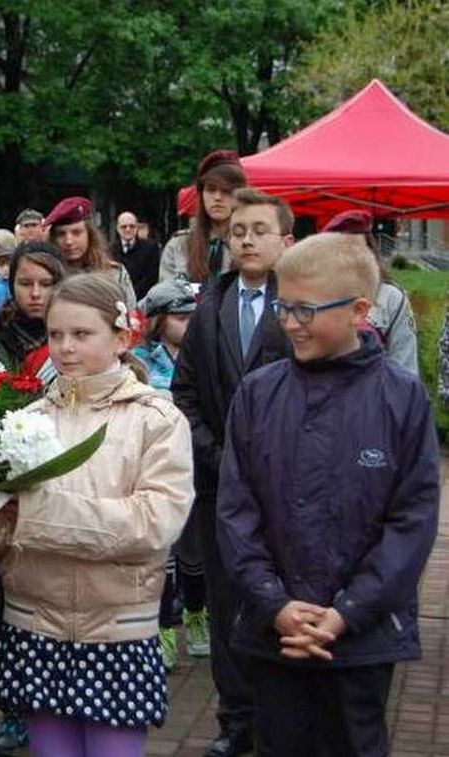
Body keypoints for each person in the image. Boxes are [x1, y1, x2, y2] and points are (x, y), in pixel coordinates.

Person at [218, 232, 440, 756]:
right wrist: (273, 602)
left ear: (360, 310)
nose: (288, 322)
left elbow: (412, 520)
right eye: (282, 306)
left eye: (304, 310)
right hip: (275, 633)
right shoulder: (258, 392)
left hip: (361, 638)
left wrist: (348, 612)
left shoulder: (402, 398)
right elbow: (235, 509)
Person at [0, 272, 194, 757]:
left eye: (82, 334)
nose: (65, 348)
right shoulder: (26, 420)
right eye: (55, 335)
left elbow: (154, 523)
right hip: (35, 623)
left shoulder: (157, 419)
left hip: (117, 630)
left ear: (122, 337)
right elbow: (1, 533)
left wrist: (31, 517)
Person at [171, 188, 296, 757]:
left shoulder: (300, 306)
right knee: (225, 605)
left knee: (279, 600)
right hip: (221, 486)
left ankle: (278, 717)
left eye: (260, 230)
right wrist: (214, 453)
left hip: (288, 491)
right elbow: (185, 392)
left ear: (285, 241)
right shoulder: (211, 306)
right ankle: (235, 719)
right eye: (238, 229)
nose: (246, 239)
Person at [0, 241, 64, 757]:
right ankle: (12, 707)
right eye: (27, 283)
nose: (36, 293)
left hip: (60, 492)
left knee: (51, 602)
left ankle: (54, 702)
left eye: (46, 284)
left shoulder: (74, 338)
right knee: (2, 604)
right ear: (10, 282)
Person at [133, 281, 209, 670]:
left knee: (195, 555)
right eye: (180, 318)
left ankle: (196, 614)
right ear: (159, 321)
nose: (189, 325)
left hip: (196, 466)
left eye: (192, 317)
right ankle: (162, 626)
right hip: (153, 467)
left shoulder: (205, 354)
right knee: (159, 554)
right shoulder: (139, 360)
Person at [322, 209, 419, 374]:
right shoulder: (312, 295)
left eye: (357, 250)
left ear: (370, 251)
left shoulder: (390, 297)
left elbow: (404, 363)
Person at [160, 150, 248, 286]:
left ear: (240, 195)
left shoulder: (251, 246)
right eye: (211, 190)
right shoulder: (179, 246)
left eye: (227, 190)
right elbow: (166, 298)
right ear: (201, 195)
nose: (218, 197)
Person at [45, 196, 137, 307]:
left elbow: (131, 316)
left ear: (90, 235)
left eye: (76, 233)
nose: (68, 241)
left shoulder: (114, 274)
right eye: (61, 234)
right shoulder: (46, 276)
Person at [115, 211, 161, 300]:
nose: (128, 229)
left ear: (136, 228)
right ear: (117, 229)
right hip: (117, 299)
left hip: (143, 300)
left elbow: (151, 277)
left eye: (131, 226)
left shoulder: (151, 248)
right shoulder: (109, 250)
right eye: (124, 227)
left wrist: (131, 295)